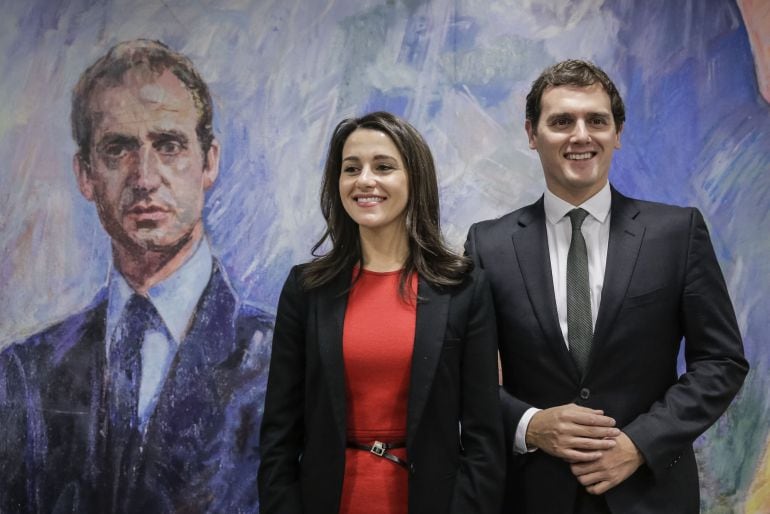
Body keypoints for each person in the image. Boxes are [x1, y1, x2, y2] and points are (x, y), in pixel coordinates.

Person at [465, 60, 749, 514]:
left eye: (596, 120)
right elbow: (464, 375)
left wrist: (639, 442)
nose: (581, 135)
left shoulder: (677, 233)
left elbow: (721, 361)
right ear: (531, 134)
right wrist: (530, 425)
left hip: (649, 492)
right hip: (530, 496)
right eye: (561, 121)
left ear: (617, 133)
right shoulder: (488, 244)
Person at [0, 39, 272, 513]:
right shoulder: (23, 375)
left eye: (168, 145)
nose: (144, 177)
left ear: (209, 162)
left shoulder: (286, 358)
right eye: (118, 149)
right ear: (86, 174)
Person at [258, 111, 503, 514]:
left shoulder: (463, 289)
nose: (365, 180)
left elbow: (484, 438)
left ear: (414, 179)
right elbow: (279, 435)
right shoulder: (306, 289)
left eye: (384, 167)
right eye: (351, 168)